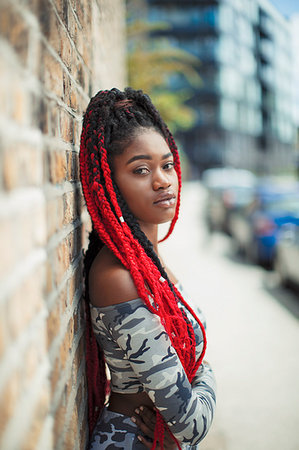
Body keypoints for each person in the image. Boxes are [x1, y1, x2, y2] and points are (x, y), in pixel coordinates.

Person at [79, 87, 216, 449]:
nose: (162, 180)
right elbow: (190, 424)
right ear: (110, 182)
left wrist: (198, 379)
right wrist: (205, 375)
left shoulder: (148, 261)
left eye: (167, 164)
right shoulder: (118, 277)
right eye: (142, 169)